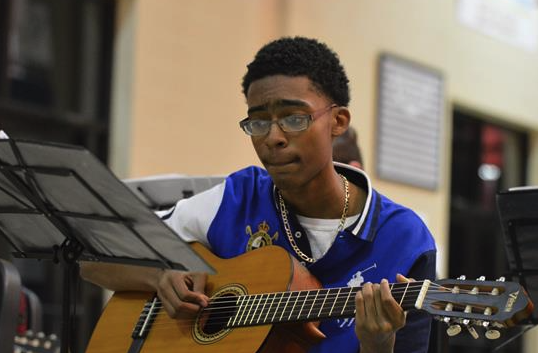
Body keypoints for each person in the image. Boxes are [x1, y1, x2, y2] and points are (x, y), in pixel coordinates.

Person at [80, 36, 436, 353]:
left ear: (338, 121)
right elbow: (94, 255)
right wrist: (159, 277)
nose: (273, 137)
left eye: (294, 118)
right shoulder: (238, 197)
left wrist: (377, 345)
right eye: (258, 122)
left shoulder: (404, 239)